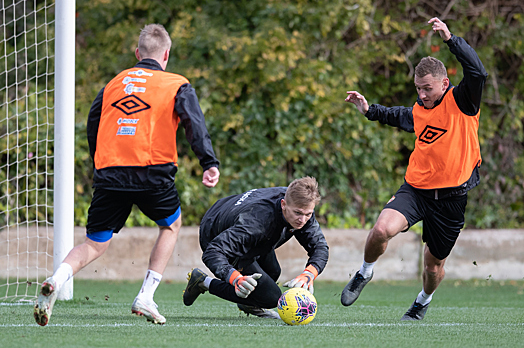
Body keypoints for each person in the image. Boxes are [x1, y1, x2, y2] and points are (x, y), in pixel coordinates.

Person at [33, 24, 220, 326]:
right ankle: (146, 295)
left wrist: (100, 164)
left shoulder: (113, 84)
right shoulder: (175, 83)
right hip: (152, 172)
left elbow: (93, 123)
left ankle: (56, 278)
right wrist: (208, 162)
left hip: (110, 172)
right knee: (171, 226)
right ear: (166, 55)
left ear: (137, 53)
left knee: (94, 244)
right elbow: (193, 122)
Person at [341, 18, 487, 320]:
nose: (422, 94)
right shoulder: (420, 110)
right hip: (416, 190)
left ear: (444, 84)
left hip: (451, 198)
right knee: (381, 229)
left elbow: (478, 71)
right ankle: (364, 272)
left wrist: (450, 39)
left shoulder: (463, 102)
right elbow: (399, 115)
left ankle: (423, 300)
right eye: (418, 88)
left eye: (428, 88)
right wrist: (369, 111)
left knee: (433, 267)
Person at [183, 176, 329, 319]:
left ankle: (249, 303)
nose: (302, 220)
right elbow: (213, 252)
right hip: (215, 232)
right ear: (283, 204)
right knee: (271, 297)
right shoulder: (256, 224)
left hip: (233, 214)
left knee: (273, 271)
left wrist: (309, 274)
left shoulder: (299, 202)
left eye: (308, 214)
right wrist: (235, 278)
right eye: (297, 213)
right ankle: (202, 282)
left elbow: (320, 246)